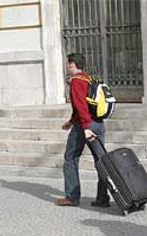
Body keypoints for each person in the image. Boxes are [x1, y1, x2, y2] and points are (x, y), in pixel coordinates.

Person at [56, 53, 111, 208]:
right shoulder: (88, 78)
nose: (68, 66)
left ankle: (72, 197)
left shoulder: (76, 81)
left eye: (68, 64)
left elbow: (81, 106)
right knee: (101, 161)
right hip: (98, 123)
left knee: (70, 158)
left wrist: (85, 127)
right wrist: (71, 121)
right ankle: (102, 198)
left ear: (73, 64)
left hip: (84, 126)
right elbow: (87, 104)